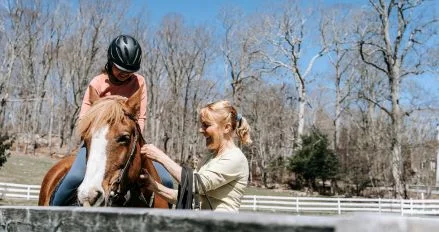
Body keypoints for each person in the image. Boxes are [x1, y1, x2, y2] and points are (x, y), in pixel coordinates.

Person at [52, 35, 173, 206]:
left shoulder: (140, 82)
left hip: (130, 140)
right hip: (98, 142)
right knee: (74, 178)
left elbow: (141, 117)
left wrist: (133, 142)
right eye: (120, 69)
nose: (124, 74)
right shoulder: (98, 83)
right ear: (110, 62)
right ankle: (51, 214)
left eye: (129, 71)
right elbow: (84, 119)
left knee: (166, 180)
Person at [140, 100, 251, 212]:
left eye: (206, 125)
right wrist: (155, 186)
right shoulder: (210, 156)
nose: (200, 130)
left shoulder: (235, 158)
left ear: (226, 128)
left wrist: (160, 157)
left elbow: (195, 184)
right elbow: (188, 196)